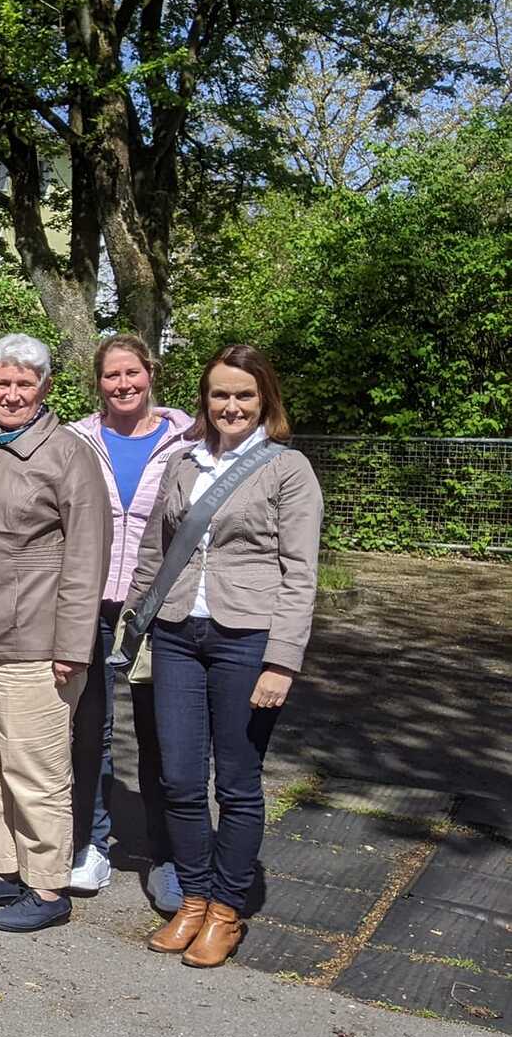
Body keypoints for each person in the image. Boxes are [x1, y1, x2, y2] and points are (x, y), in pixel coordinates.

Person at [129, 345, 322, 967]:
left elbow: (300, 572)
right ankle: (193, 898)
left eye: (244, 394)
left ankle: (226, 910)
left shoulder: (287, 469)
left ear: (264, 397)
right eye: (220, 394)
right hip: (180, 634)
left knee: (236, 784)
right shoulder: (184, 463)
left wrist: (282, 660)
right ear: (205, 399)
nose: (231, 406)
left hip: (248, 640)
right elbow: (156, 556)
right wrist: (134, 627)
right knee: (180, 780)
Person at [0, 333, 109, 933]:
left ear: (44, 389)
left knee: (35, 769)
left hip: (35, 642)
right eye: (2, 383)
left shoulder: (69, 455)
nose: (12, 394)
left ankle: (46, 885)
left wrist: (73, 646)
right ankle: (1, 869)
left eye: (24, 384)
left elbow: (88, 558)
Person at [65, 335, 193, 906]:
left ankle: (164, 856)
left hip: (155, 602)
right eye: (112, 376)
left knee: (158, 729)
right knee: (90, 727)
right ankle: (91, 844)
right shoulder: (78, 439)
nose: (123, 385)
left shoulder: (186, 441)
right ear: (99, 382)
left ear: (150, 374)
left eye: (132, 374)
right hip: (89, 599)